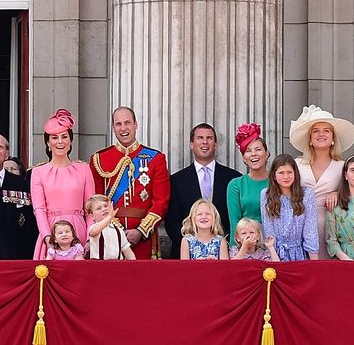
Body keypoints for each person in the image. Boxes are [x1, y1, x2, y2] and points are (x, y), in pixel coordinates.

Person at [288, 105, 354, 259]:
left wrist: (336, 193)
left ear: (333, 138)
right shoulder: (296, 164)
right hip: (300, 223)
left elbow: (353, 191)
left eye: (326, 130)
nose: (321, 134)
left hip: (331, 226)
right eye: (316, 131)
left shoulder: (342, 167)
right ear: (310, 139)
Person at [90, 106, 169, 259]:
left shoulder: (155, 158)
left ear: (135, 125)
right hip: (109, 235)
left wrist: (141, 231)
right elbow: (96, 200)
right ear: (113, 127)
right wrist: (115, 228)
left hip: (143, 237)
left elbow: (161, 201)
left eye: (127, 123)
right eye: (118, 124)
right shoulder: (99, 159)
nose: (123, 128)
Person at [165, 124, 240, 258]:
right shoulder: (176, 180)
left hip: (225, 254)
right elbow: (171, 221)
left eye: (209, 138)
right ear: (191, 144)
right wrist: (190, 246)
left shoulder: (233, 178)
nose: (204, 142)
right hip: (186, 256)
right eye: (200, 138)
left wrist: (222, 245)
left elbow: (236, 218)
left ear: (215, 144)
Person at [32, 109, 94, 259]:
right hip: (51, 234)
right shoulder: (38, 172)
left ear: (70, 141)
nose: (60, 141)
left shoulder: (84, 169)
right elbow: (39, 210)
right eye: (54, 137)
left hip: (79, 233)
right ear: (48, 142)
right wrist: (48, 238)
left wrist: (89, 238)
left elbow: (90, 209)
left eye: (64, 136)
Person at [260, 154, 318, 262]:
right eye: (281, 173)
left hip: (299, 254)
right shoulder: (266, 195)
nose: (286, 177)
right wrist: (273, 254)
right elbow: (268, 229)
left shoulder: (307, 194)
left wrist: (315, 262)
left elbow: (310, 230)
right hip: (275, 254)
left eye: (289, 172)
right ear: (274, 175)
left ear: (295, 174)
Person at [225, 123, 270, 248]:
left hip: (274, 245)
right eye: (248, 151)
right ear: (244, 158)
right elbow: (235, 223)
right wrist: (235, 252)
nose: (253, 154)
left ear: (266, 154)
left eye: (258, 149)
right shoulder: (236, 185)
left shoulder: (278, 181)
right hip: (247, 246)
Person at [84, 194, 134, 260]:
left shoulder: (119, 231)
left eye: (105, 206)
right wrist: (110, 217)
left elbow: (127, 251)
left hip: (117, 265)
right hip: (99, 266)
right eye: (99, 208)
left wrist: (134, 264)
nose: (104, 209)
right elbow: (94, 232)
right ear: (92, 216)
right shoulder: (94, 228)